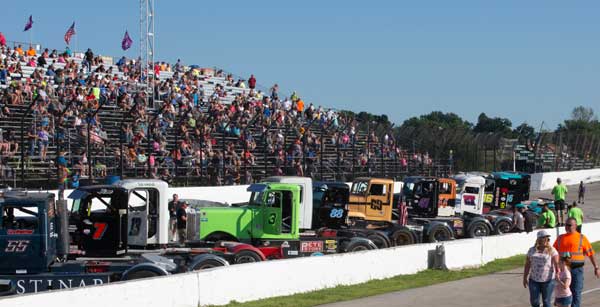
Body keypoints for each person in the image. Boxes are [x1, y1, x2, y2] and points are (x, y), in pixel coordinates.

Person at [553, 217, 600, 307]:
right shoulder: (560, 238)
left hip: (577, 270)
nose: (566, 227)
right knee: (563, 292)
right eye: (565, 225)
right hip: (563, 270)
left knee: (576, 291)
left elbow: (591, 254)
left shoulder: (581, 238)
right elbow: (553, 253)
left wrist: (596, 267)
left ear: (575, 226)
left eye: (569, 225)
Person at [523, 230, 559, 307]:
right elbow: (527, 264)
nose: (547, 240)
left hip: (548, 280)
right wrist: (525, 277)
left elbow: (556, 263)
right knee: (534, 302)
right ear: (539, 239)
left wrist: (558, 273)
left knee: (546, 302)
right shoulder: (532, 250)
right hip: (534, 280)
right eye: (545, 238)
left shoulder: (552, 250)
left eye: (548, 239)